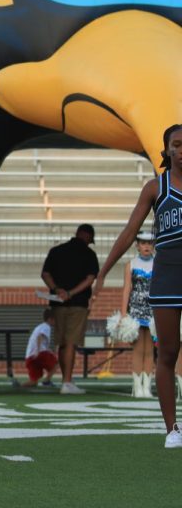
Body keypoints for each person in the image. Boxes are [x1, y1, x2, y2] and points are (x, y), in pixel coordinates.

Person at [97, 123, 182, 447]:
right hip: (168, 274)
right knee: (168, 351)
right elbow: (130, 231)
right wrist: (104, 271)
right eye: (177, 144)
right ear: (168, 150)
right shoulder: (155, 188)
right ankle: (172, 429)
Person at [41, 223, 99, 395]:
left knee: (62, 343)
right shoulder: (89, 254)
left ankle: (65, 380)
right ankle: (67, 381)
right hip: (78, 304)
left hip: (58, 303)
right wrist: (71, 293)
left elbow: (45, 274)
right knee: (71, 343)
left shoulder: (57, 251)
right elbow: (90, 279)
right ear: (88, 236)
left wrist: (57, 290)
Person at [121, 232, 156, 398]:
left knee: (150, 350)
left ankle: (147, 387)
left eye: (150, 243)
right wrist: (123, 313)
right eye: (143, 243)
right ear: (137, 245)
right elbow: (127, 289)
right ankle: (137, 387)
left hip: (153, 311)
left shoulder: (159, 264)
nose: (147, 246)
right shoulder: (131, 264)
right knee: (137, 349)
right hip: (135, 310)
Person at [23, 309, 58, 387]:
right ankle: (46, 381)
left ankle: (19, 387)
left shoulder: (40, 326)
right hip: (39, 353)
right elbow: (40, 337)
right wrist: (38, 351)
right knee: (56, 363)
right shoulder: (46, 327)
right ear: (50, 319)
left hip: (29, 357)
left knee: (33, 382)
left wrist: (46, 349)